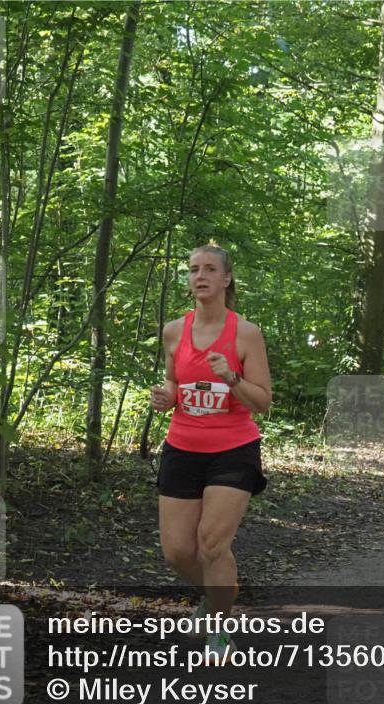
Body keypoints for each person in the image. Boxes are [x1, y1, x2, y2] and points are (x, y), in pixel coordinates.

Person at [150, 243, 272, 664]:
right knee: (177, 553)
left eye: (208, 270)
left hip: (233, 449)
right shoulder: (172, 331)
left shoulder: (245, 333)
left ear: (226, 279)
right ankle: (217, 596)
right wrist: (166, 396)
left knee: (211, 544)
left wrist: (232, 377)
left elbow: (261, 401)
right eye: (193, 270)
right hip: (182, 447)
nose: (199, 276)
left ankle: (219, 630)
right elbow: (173, 383)